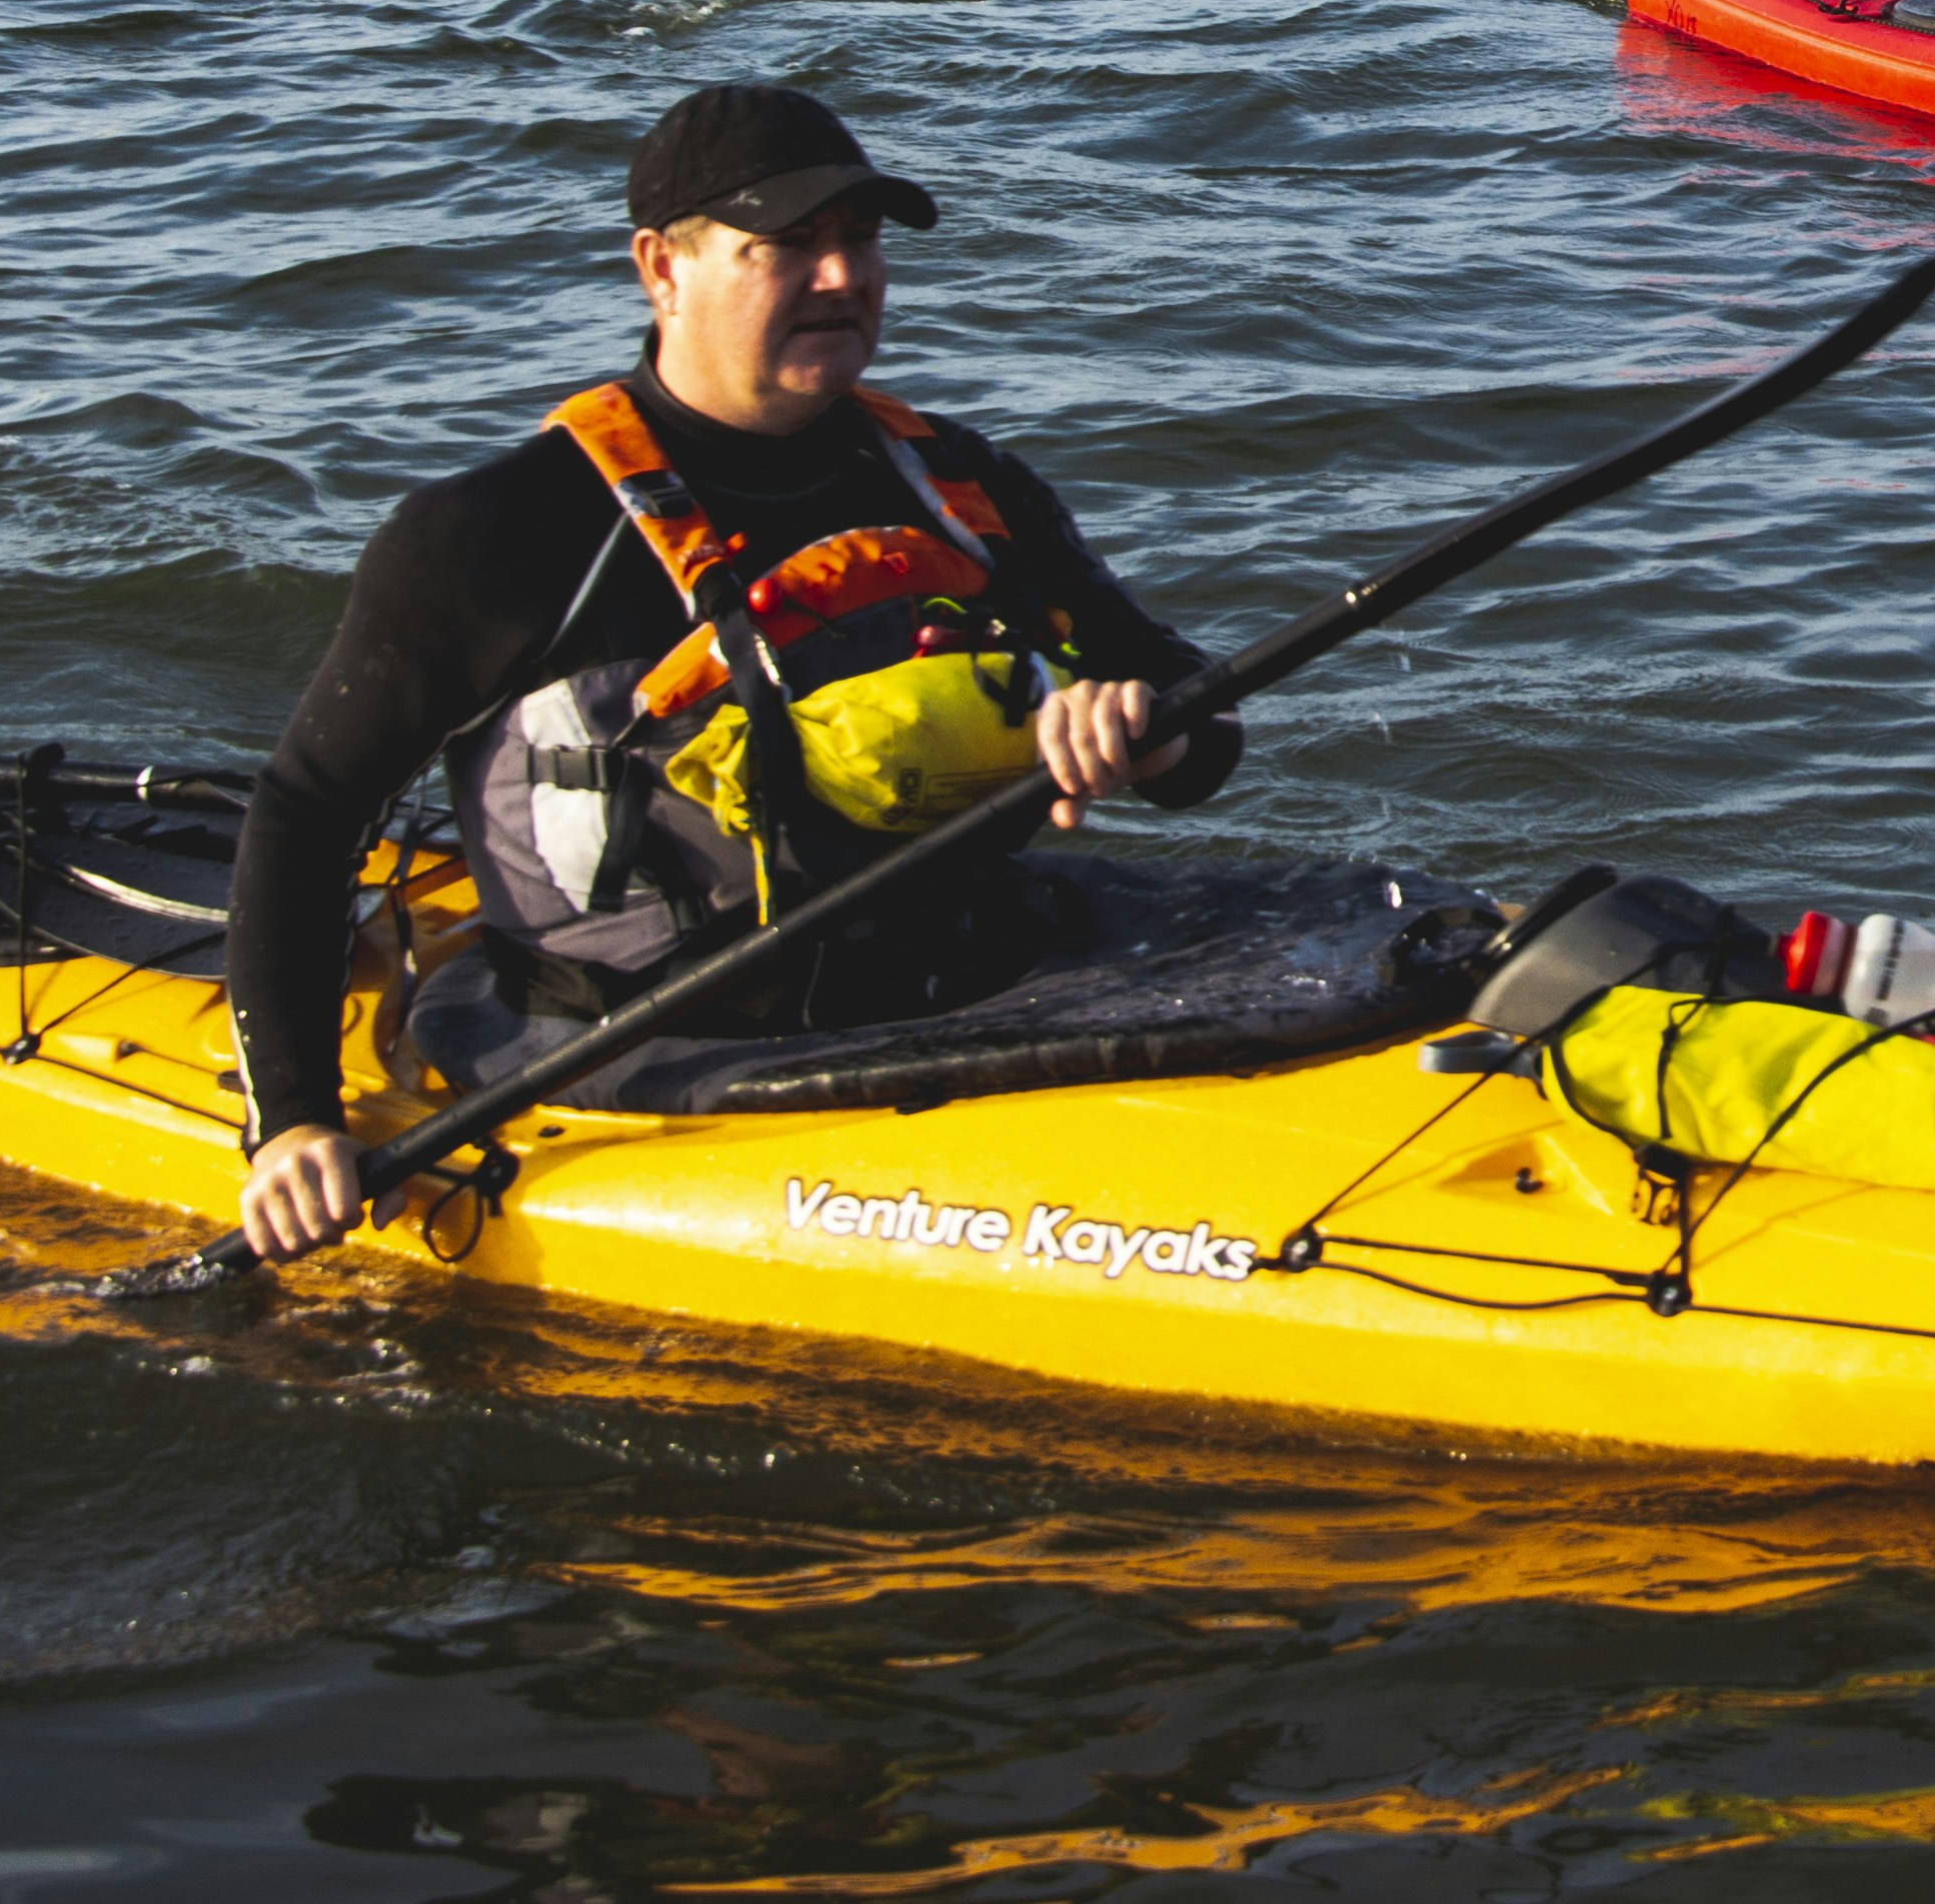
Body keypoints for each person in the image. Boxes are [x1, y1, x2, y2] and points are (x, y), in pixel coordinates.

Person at [221, 82, 1239, 1259]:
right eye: (787, 247)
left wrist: (1148, 727)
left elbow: (1196, 724)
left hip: (968, 993)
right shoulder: (497, 530)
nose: (841, 278)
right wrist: (291, 1119)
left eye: (858, 241)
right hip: (649, 1053)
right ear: (662, 267)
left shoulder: (960, 486)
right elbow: (307, 810)